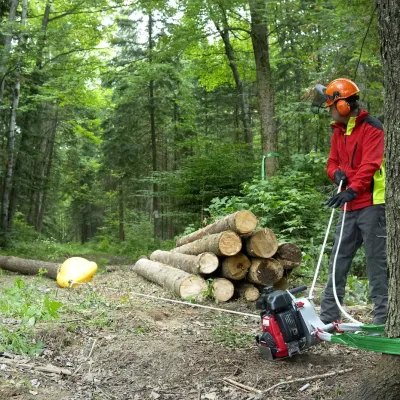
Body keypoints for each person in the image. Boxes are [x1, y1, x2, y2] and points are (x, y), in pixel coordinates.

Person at [313, 78, 388, 325]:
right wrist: (336, 175)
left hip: (372, 205)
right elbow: (332, 162)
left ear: (344, 105)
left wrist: (353, 190)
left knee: (376, 262)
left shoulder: (372, 128)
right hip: (349, 205)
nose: (330, 111)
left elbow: (370, 165)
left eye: (332, 105)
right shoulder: (338, 131)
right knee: (338, 259)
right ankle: (328, 317)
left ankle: (382, 319)